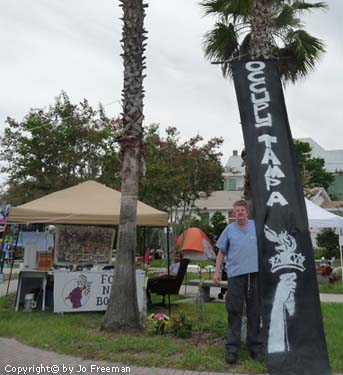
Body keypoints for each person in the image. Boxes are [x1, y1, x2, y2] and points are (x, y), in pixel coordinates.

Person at [213, 200, 264, 365]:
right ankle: (232, 349)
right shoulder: (229, 230)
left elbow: (267, 246)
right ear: (233, 214)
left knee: (254, 312)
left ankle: (255, 347)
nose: (240, 213)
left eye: (242, 210)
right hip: (235, 276)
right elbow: (221, 253)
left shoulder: (256, 227)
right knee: (234, 311)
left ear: (247, 212)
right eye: (237, 211)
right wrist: (216, 272)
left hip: (255, 275)